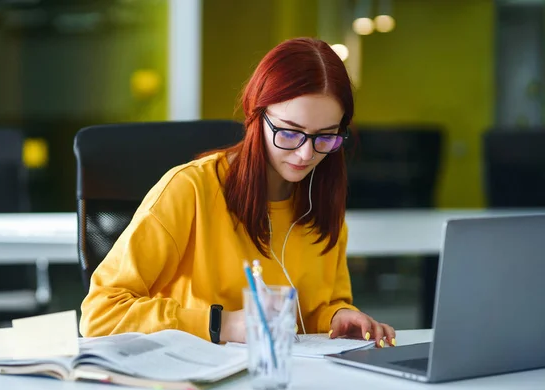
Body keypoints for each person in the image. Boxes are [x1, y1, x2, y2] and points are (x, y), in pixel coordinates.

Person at [80, 37, 396, 348]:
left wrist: (339, 316)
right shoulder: (189, 190)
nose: (305, 154)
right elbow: (100, 313)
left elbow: (315, 309)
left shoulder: (321, 198)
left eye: (325, 137)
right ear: (256, 118)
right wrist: (224, 324)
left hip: (288, 380)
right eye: (289, 132)